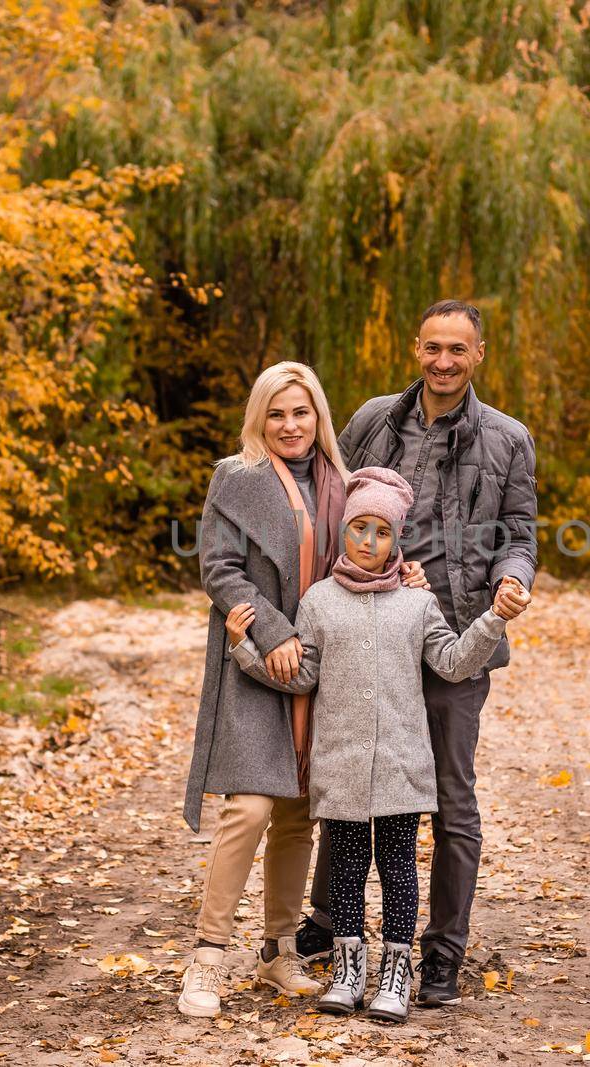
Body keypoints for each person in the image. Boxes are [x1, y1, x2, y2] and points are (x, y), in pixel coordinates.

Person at [297, 300, 539, 1008]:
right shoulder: (374, 421)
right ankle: (326, 926)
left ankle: (441, 953)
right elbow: (325, 506)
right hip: (362, 630)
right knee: (347, 774)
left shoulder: (506, 439)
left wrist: (512, 579)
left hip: (452, 634)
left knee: (451, 798)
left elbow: (520, 531)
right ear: (416, 348)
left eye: (456, 350)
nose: (442, 361)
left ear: (478, 355)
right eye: (432, 347)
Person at [224, 468, 532, 1023]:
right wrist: (246, 649)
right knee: (343, 869)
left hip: (401, 766)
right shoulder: (318, 602)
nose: (369, 542)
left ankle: (396, 971)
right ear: (344, 532)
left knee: (397, 869)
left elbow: (454, 662)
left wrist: (492, 620)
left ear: (398, 539)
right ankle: (348, 969)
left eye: (382, 532)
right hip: (339, 765)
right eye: (359, 528)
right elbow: (302, 677)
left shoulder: (417, 605)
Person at [178, 363, 427, 1018]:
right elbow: (219, 568)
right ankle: (205, 958)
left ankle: (277, 951)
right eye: (278, 413)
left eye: (302, 412)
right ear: (260, 417)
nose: (290, 425)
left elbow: (368, 554)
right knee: (251, 809)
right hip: (259, 661)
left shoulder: (342, 486)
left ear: (319, 416)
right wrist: (276, 632)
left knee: (296, 815)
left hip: (325, 671)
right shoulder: (237, 477)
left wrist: (410, 577)